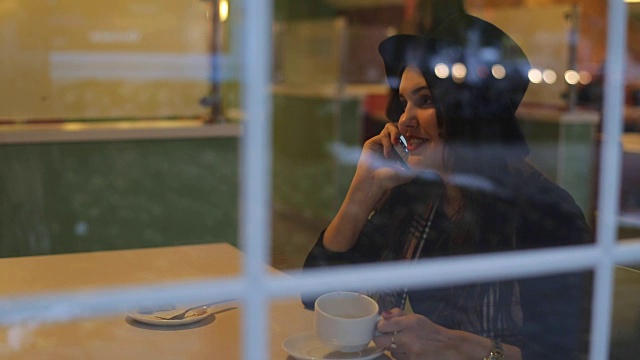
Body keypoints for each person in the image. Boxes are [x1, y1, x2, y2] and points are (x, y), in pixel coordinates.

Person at [302, 13, 592, 360]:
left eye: (425, 100)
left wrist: (455, 345)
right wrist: (362, 192)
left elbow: (570, 352)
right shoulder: (414, 193)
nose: (405, 118)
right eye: (405, 101)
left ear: (471, 111)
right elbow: (315, 297)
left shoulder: (546, 213)